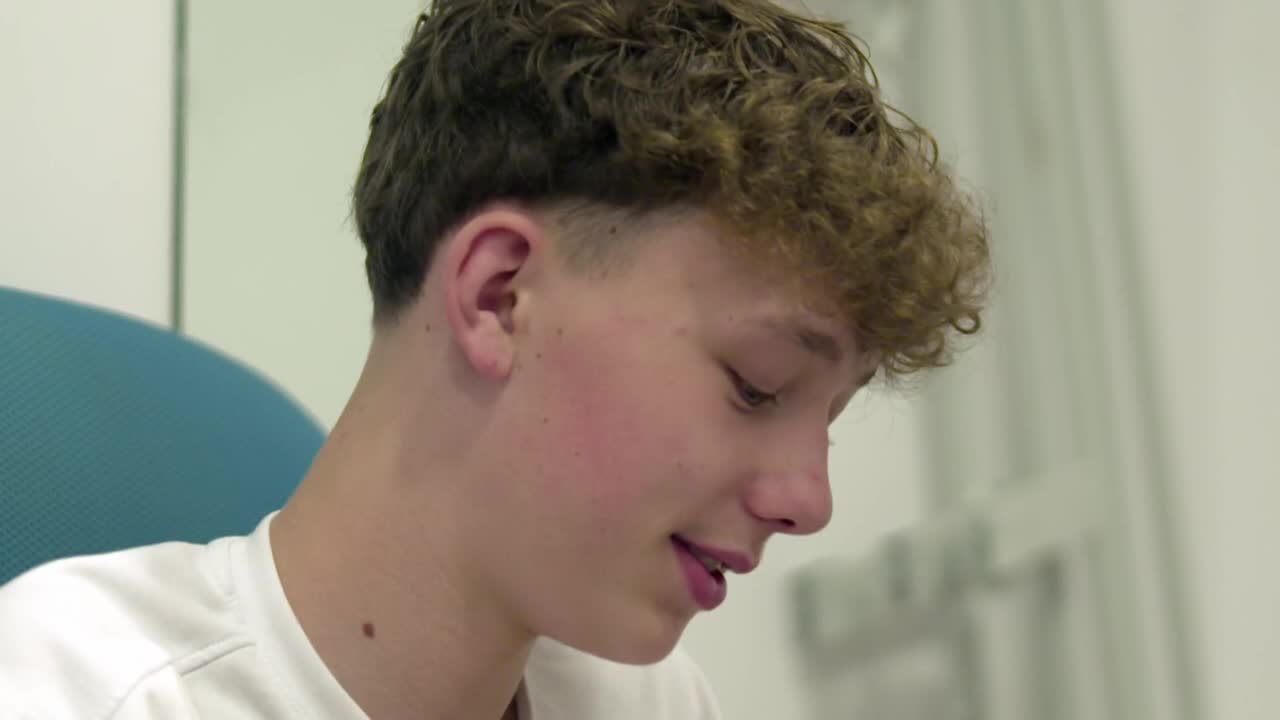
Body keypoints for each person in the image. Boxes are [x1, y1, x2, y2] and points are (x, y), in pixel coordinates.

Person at [0, 0, 990, 718]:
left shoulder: (650, 701)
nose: (809, 501)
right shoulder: (73, 694)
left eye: (828, 416)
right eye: (758, 385)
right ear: (498, 296)